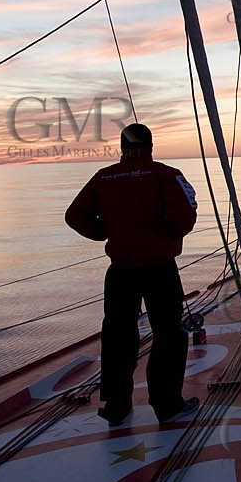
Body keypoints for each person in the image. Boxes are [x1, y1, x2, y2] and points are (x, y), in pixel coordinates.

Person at [65, 122, 200, 426]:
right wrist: (166, 233)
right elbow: (185, 216)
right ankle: (167, 405)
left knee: (117, 336)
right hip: (159, 269)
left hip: (120, 271)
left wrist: (104, 232)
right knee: (168, 335)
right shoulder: (167, 175)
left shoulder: (104, 177)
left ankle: (116, 406)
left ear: (122, 147)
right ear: (150, 146)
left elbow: (74, 216)